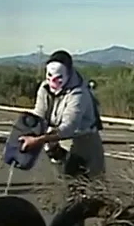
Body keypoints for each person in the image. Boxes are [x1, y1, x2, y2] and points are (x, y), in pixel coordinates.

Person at [19, 50, 105, 179]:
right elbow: (39, 114)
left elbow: (69, 127)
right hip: (57, 139)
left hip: (84, 140)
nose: (53, 83)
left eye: (58, 78)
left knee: (88, 185)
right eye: (49, 77)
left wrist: (39, 140)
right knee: (64, 182)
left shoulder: (79, 94)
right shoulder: (44, 88)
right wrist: (29, 131)